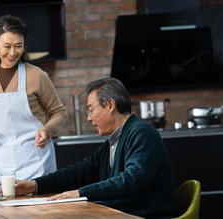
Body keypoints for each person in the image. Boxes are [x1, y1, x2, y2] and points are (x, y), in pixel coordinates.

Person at [14, 77, 177, 219]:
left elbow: (132, 180)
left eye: (91, 110)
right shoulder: (112, 142)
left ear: (110, 105)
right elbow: (79, 172)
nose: (89, 118)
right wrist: (34, 185)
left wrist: (80, 193)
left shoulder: (142, 132)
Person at [0, 15, 67, 187]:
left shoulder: (37, 76)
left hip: (36, 166)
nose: (13, 53)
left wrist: (47, 130)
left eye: (18, 46)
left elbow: (59, 113)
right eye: (7, 46)